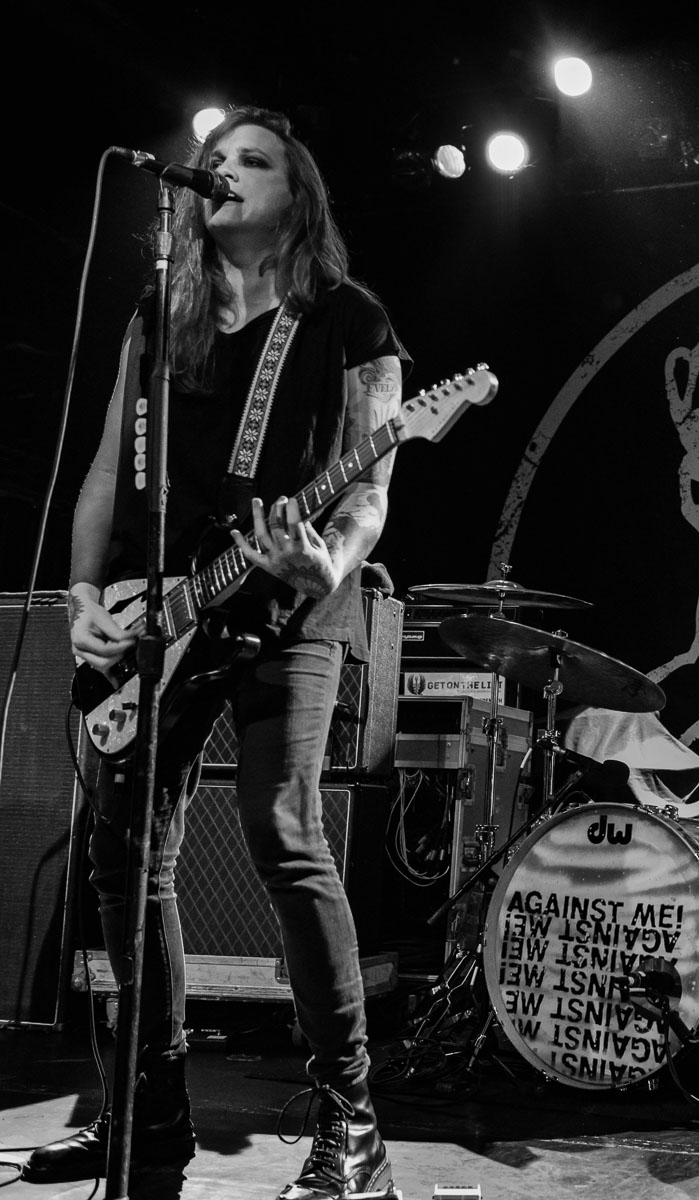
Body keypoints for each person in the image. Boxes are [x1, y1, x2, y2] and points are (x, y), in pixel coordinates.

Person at [23, 107, 405, 1200]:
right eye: (217, 158)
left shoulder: (349, 318)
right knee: (123, 859)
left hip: (289, 612)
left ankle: (352, 1125)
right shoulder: (162, 309)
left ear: (298, 193)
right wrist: (81, 596)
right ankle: (145, 1119)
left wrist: (327, 565)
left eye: (254, 160)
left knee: (286, 836)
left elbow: (370, 488)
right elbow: (109, 469)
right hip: (159, 610)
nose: (224, 171)